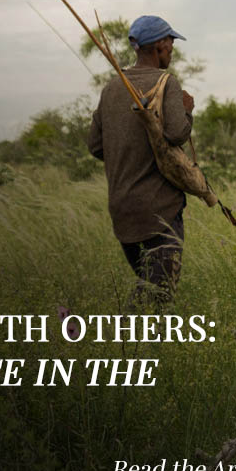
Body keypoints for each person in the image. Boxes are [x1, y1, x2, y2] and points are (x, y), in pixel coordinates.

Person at [87, 15, 195, 305]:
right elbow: (176, 133)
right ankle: (148, 347)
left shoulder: (111, 88)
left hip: (123, 213)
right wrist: (187, 111)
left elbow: (95, 146)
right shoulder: (165, 82)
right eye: (170, 41)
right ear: (158, 45)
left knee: (147, 285)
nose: (173, 46)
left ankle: (134, 343)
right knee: (161, 297)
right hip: (160, 211)